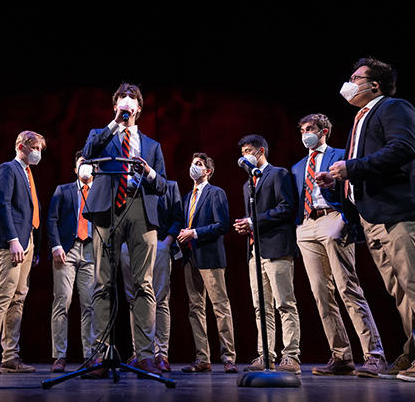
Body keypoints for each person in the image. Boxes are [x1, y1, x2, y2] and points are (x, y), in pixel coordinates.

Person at [322, 57, 415, 382]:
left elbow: (403, 149)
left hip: (402, 211)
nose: (349, 83)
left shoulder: (394, 107)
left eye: (356, 77)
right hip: (375, 217)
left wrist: (351, 168)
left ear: (375, 85)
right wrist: (340, 178)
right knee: (401, 290)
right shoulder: (361, 117)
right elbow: (366, 163)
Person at [81, 82, 167, 377]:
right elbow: (89, 154)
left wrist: (149, 171)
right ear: (116, 105)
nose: (127, 103)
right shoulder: (101, 134)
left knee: (144, 285)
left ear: (140, 108)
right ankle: (99, 355)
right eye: (122, 99)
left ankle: (144, 355)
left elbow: (163, 185)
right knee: (102, 283)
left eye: (132, 100)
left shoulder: (152, 145)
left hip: (141, 210)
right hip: (107, 209)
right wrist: (114, 125)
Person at [292, 113, 386, 377]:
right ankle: (341, 356)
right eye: (302, 129)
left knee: (347, 287)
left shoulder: (341, 155)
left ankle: (374, 354)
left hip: (333, 218)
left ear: (324, 132)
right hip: (308, 225)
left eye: (310, 128)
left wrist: (338, 185)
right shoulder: (298, 167)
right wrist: (299, 226)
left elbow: (356, 184)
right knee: (321, 293)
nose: (305, 133)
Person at [0, 131, 45, 374]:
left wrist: (30, 243)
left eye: (39, 148)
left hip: (28, 240)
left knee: (19, 297)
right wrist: (14, 240)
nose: (37, 152)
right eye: (34, 146)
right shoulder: (8, 169)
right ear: (21, 146)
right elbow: (2, 205)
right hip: (10, 241)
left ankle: (10, 355)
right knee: (3, 296)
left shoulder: (28, 174)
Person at [233, 134, 301, 374]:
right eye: (242, 153)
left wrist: (253, 221)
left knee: (284, 303)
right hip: (256, 251)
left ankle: (291, 356)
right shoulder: (246, 184)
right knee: (260, 307)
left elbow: (286, 208)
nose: (245, 156)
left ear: (261, 151)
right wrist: (247, 226)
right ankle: (266, 355)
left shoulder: (278, 174)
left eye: (249, 151)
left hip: (278, 248)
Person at [177, 153, 238, 374]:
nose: (194, 167)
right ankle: (203, 358)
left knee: (220, 307)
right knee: (195, 309)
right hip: (190, 258)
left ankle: (229, 357)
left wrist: (194, 233)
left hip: (210, 257)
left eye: (199, 164)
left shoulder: (216, 193)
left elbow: (222, 225)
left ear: (207, 171)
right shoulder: (186, 197)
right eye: (193, 163)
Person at [120, 179, 184, 373]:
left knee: (160, 299)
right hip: (129, 247)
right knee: (134, 299)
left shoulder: (170, 186)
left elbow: (177, 217)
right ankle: (139, 353)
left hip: (160, 244)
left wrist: (166, 242)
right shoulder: (126, 183)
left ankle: (161, 353)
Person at [46, 151, 96, 372]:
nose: (85, 167)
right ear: (75, 169)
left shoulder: (102, 193)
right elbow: (52, 219)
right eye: (81, 164)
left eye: (89, 164)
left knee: (90, 305)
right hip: (67, 250)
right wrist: (56, 245)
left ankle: (91, 355)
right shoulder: (63, 190)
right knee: (62, 302)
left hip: (92, 252)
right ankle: (59, 356)